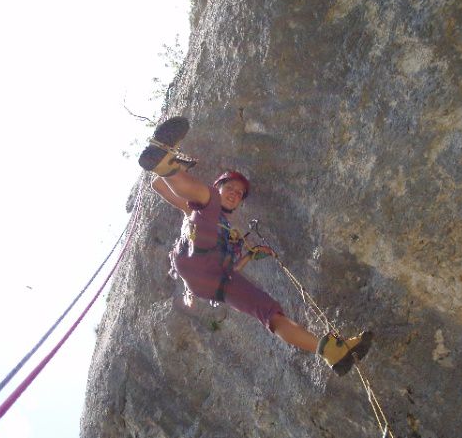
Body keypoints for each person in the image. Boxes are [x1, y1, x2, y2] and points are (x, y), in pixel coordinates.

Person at [138, 117, 372, 375]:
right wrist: (176, 167)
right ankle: (163, 163)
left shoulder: (229, 231)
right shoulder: (196, 207)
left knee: (269, 311)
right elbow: (157, 184)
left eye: (239, 194)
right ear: (218, 186)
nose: (234, 194)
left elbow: (232, 268)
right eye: (230, 188)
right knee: (208, 203)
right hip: (196, 261)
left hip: (215, 280)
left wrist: (250, 254)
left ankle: (331, 352)